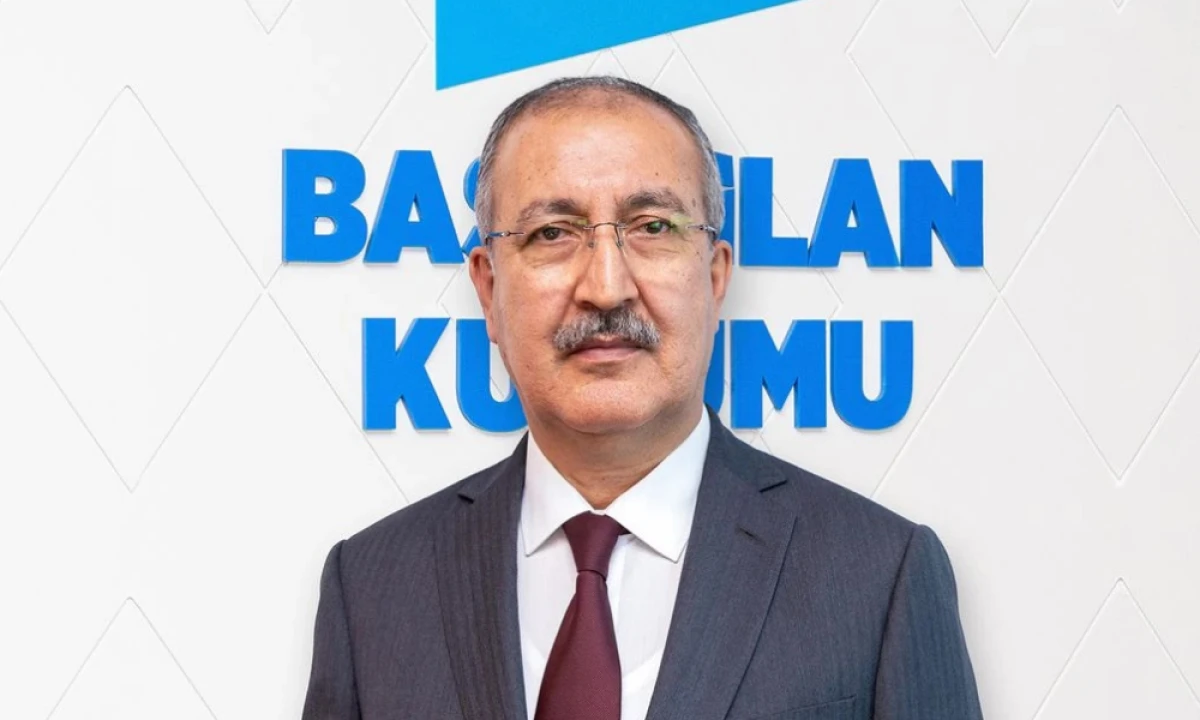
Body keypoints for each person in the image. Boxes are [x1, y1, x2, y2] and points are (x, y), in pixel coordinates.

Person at [301, 75, 983, 720]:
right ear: (488, 288)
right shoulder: (370, 588)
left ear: (715, 278)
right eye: (552, 233)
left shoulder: (879, 576)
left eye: (653, 227)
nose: (606, 287)